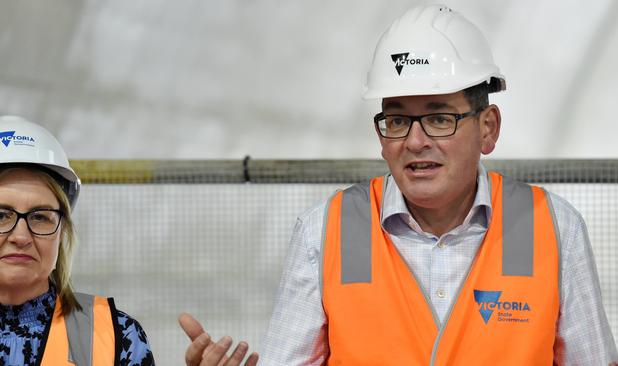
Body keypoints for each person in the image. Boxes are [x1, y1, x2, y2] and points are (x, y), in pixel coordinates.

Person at [184, 4, 618, 365]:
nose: (414, 141)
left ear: (488, 128)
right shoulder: (326, 233)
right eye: (396, 120)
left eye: (438, 118)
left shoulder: (554, 229)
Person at [0, 116, 155, 365]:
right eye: (0, 215)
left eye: (40, 217)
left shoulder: (118, 337)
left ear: (61, 231)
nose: (21, 236)